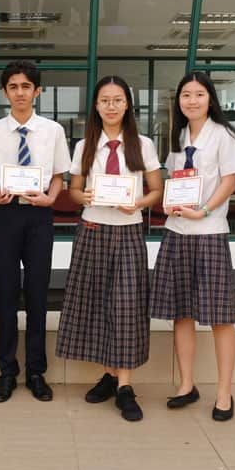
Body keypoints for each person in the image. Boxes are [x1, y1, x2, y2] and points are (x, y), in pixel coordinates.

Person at [56, 75, 163, 421]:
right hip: (92, 231)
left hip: (128, 231)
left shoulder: (142, 143)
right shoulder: (85, 144)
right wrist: (81, 195)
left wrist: (140, 204)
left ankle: (125, 386)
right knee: (98, 302)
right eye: (105, 100)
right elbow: (73, 191)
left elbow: (156, 190)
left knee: (127, 306)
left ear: (127, 104)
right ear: (97, 106)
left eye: (118, 100)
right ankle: (109, 374)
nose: (112, 106)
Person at [150, 72, 235, 421]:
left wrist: (203, 209)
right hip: (177, 233)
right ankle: (186, 384)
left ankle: (224, 392)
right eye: (185, 95)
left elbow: (230, 180)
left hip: (208, 232)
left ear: (211, 99)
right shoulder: (178, 137)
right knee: (182, 313)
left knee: (220, 317)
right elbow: (176, 182)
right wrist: (168, 202)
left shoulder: (224, 136)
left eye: (199, 94)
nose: (191, 101)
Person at [0, 60, 72, 403]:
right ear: (5, 92)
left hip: (38, 218)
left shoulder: (52, 131)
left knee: (37, 296)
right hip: (4, 215)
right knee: (6, 296)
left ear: (38, 91)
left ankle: (36, 371)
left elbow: (60, 174)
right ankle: (7, 372)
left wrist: (50, 197)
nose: (20, 93)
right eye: (13, 87)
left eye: (26, 87)